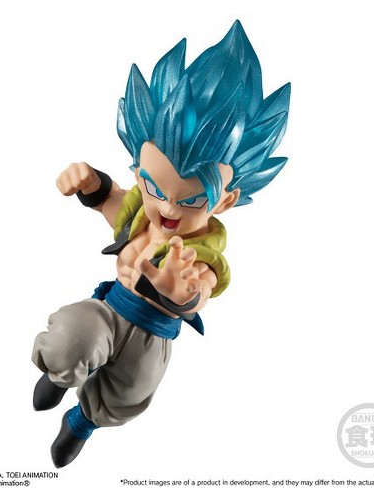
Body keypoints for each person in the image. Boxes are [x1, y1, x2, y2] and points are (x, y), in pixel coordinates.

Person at [32, 19, 290, 468]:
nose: (168, 207)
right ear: (137, 170)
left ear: (225, 200)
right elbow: (110, 202)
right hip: (109, 309)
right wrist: (89, 183)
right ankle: (59, 373)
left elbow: (199, 290)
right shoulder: (139, 211)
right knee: (72, 337)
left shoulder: (201, 255)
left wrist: (178, 292)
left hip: (152, 336)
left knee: (128, 395)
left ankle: (81, 422)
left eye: (191, 199)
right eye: (153, 187)